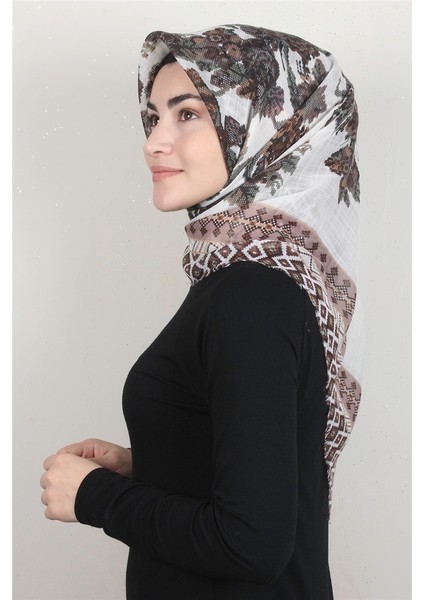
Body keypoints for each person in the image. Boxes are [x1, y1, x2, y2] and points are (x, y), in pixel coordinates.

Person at [40, 24, 362, 599]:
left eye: (187, 114)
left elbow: (250, 544)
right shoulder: (253, 283)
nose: (153, 142)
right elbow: (267, 477)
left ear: (273, 133)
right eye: (154, 117)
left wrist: (94, 496)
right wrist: (156, 461)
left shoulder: (250, 296)